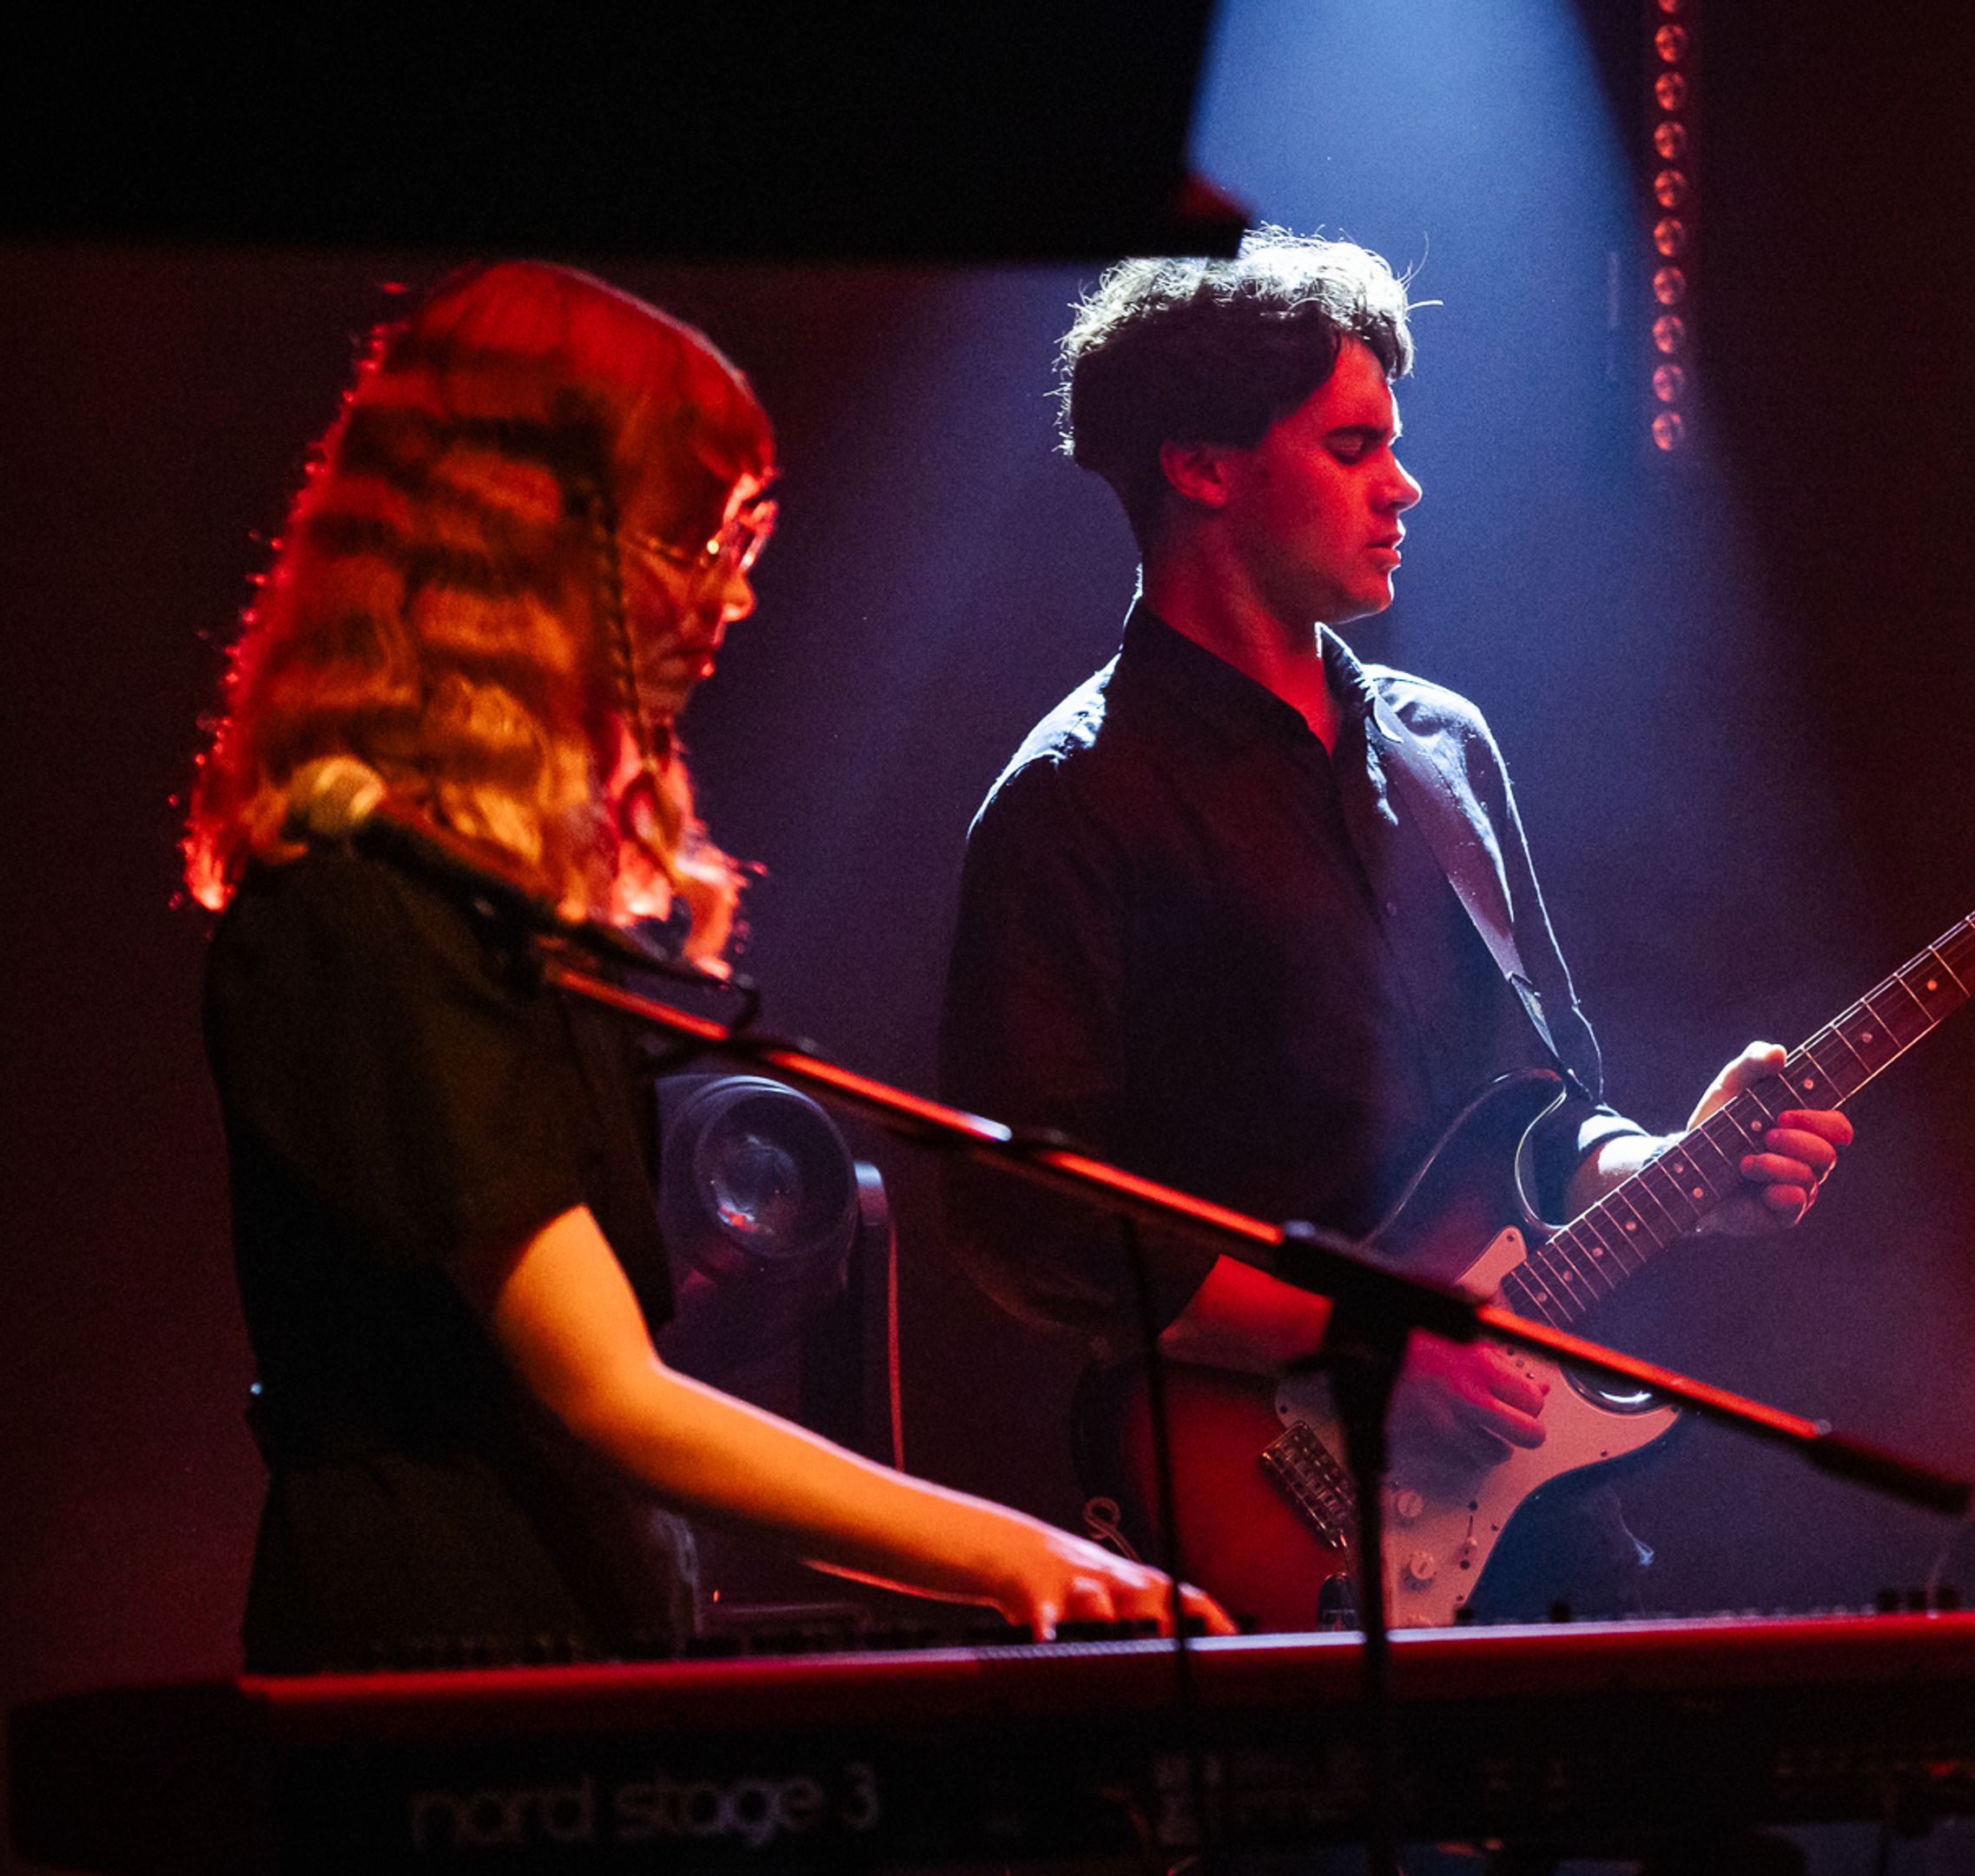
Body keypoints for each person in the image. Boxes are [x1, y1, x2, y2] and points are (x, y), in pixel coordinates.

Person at [184, 261, 1223, 1673]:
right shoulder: (360, 918)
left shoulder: (490, 925)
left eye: (740, 545)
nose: (728, 602)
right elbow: (609, 1396)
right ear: (526, 536)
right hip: (434, 1662)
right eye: (694, 542)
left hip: (576, 1632)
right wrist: (1019, 1552)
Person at [939, 230, 1852, 1620]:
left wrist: (1675, 1167)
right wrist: (1370, 1340)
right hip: (1265, 1505)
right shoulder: (1074, 801)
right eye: (1354, 446)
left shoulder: (1448, 750)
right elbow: (1031, 1218)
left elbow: (1544, 1125)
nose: (1404, 485)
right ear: (1202, 467)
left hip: (1536, 1511)